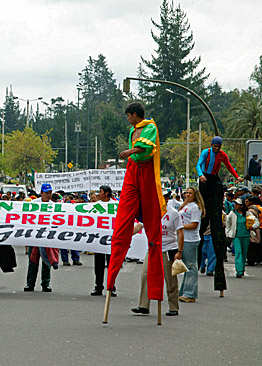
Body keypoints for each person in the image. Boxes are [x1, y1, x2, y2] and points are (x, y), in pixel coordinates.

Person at [106, 102, 166, 305]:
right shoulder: (133, 129)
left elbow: (147, 147)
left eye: (128, 116)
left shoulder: (150, 127)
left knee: (151, 218)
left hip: (146, 171)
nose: (127, 120)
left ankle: (155, 293)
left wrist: (130, 151)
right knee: (123, 218)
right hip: (133, 170)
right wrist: (131, 155)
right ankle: (111, 277)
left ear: (134, 115)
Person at [196, 136, 242, 294]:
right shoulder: (205, 152)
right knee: (205, 211)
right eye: (214, 146)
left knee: (215, 212)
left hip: (214, 179)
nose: (216, 149)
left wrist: (236, 177)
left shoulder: (222, 155)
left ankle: (214, 216)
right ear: (211, 145)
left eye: (218, 147)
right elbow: (198, 165)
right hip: (204, 180)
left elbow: (229, 166)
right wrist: (201, 174)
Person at [132, 190, 184, 316]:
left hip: (168, 250)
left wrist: (180, 251)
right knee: (145, 276)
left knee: (170, 280)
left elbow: (180, 233)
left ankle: (173, 307)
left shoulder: (173, 213)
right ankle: (143, 306)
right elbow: (139, 226)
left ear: (167, 199)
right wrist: (125, 234)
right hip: (153, 248)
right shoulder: (150, 211)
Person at [24, 183, 59, 292]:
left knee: (46, 261)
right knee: (33, 260)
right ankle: (30, 284)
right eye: (46, 193)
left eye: (50, 193)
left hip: (47, 237)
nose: (48, 195)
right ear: (41, 193)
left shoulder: (54, 205)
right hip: (34, 236)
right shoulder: (34, 204)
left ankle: (46, 283)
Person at [178, 187, 205, 303]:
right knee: (186, 266)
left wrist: (181, 227)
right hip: (183, 238)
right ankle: (184, 291)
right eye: (186, 193)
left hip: (190, 239)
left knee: (191, 266)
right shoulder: (186, 206)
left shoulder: (195, 208)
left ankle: (190, 293)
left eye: (190, 193)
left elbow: (194, 224)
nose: (187, 195)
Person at [91, 186, 116, 296]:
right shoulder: (96, 206)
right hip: (98, 239)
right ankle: (98, 286)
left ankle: (112, 286)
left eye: (100, 192)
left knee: (112, 265)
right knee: (98, 265)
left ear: (106, 193)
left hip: (111, 239)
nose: (98, 194)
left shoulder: (115, 205)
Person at [225, 198, 259, 278]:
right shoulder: (232, 213)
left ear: (241, 205)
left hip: (246, 236)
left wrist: (252, 227)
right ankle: (239, 270)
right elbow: (228, 224)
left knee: (244, 253)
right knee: (238, 252)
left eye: (237, 204)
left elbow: (256, 222)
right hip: (236, 236)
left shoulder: (247, 213)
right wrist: (228, 234)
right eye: (235, 204)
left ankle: (242, 268)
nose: (235, 205)